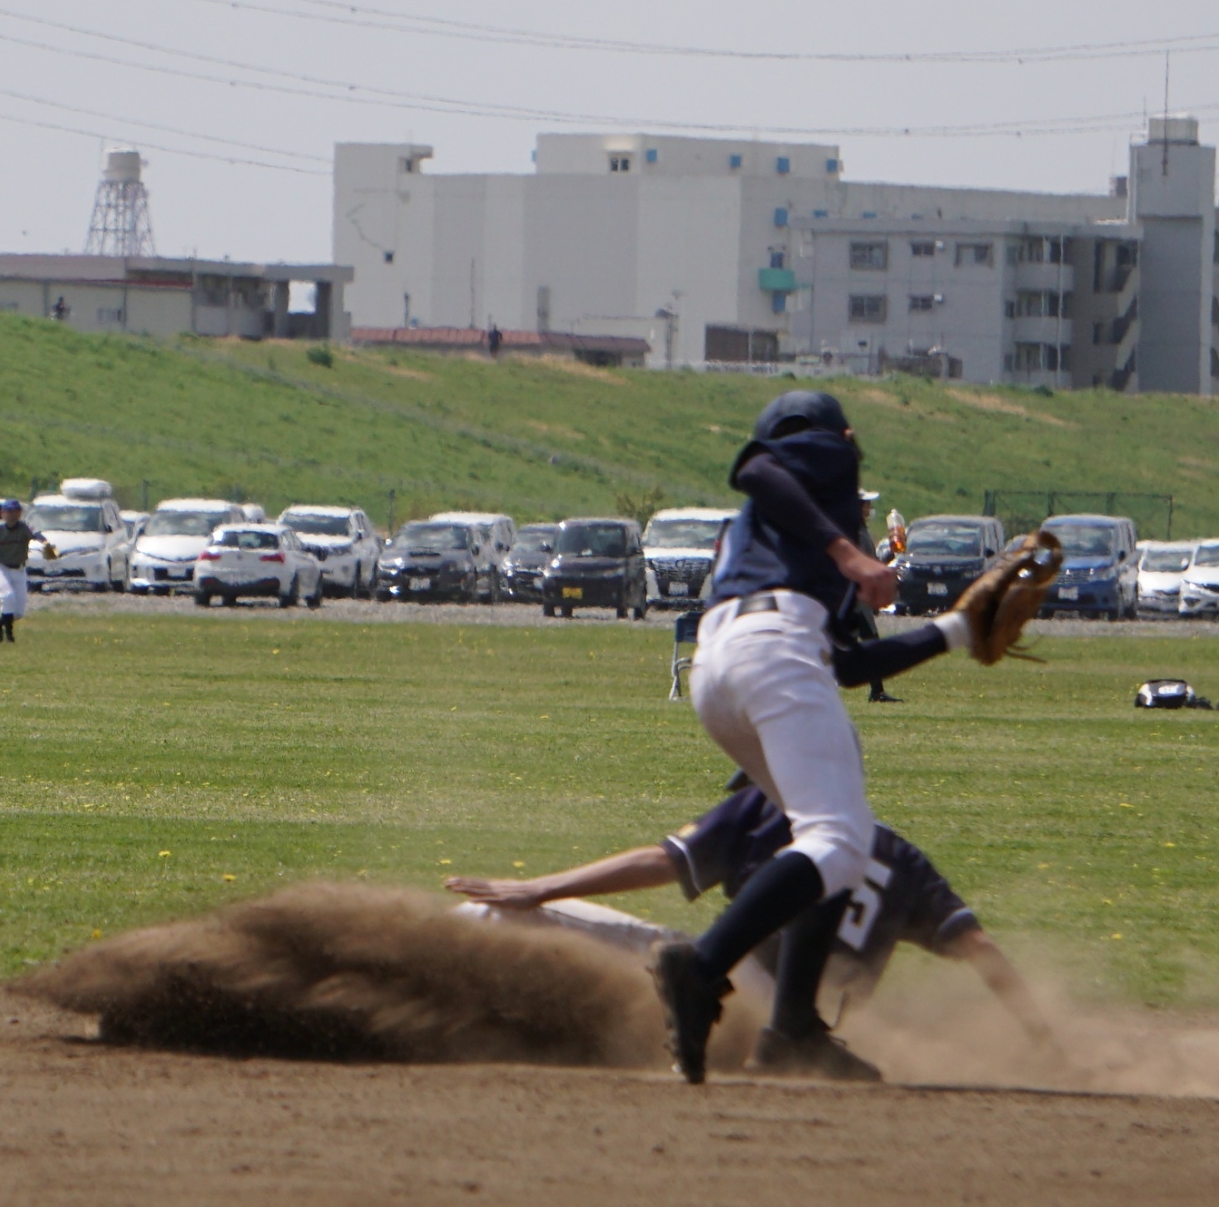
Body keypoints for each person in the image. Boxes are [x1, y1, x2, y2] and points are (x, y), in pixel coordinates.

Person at [650, 389, 988, 1085]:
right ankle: (702, 966)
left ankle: (793, 1027)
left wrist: (955, 631)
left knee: (837, 835)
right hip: (771, 652)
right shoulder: (817, 450)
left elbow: (844, 663)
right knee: (838, 842)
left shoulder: (770, 540)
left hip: (728, 667)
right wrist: (848, 550)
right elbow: (754, 468)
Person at [446, 779, 1057, 1063]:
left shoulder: (767, 804)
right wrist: (1044, 1038)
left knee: (491, 916)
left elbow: (663, 861)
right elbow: (980, 947)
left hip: (734, 991)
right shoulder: (902, 858)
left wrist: (539, 887)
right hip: (809, 1037)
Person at [0, 499, 50, 643]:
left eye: (16, 511)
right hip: (0, 566)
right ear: (2, 513)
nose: (13, 515)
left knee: (18, 613)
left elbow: (36, 534)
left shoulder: (24, 527)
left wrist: (45, 543)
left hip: (19, 568)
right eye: (9, 511)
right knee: (7, 597)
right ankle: (9, 637)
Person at [855, 491, 902, 703]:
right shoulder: (855, 532)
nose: (869, 509)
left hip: (857, 602)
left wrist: (891, 553)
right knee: (869, 644)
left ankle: (877, 691)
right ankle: (877, 692)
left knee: (867, 644)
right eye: (866, 504)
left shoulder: (860, 530)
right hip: (855, 603)